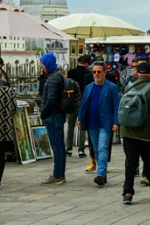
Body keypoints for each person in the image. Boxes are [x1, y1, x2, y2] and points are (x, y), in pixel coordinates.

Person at [121, 61, 150, 204]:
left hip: (127, 131)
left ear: (138, 73)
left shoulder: (128, 87)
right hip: (146, 133)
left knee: (130, 163)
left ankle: (127, 193)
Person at [77, 58, 120, 186]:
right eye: (94, 72)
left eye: (99, 72)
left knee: (102, 148)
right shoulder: (89, 87)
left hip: (105, 123)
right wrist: (80, 118)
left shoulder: (111, 88)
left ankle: (100, 173)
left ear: (105, 72)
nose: (96, 74)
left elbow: (116, 105)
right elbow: (83, 104)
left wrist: (116, 122)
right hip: (92, 123)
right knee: (96, 149)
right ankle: (103, 174)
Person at [40, 53, 67, 185]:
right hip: (57, 115)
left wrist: (43, 113)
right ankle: (60, 173)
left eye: (43, 64)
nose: (42, 67)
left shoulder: (53, 79)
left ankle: (58, 174)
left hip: (53, 116)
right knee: (59, 146)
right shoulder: (56, 76)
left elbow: (51, 100)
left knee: (57, 146)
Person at [66, 56, 89, 157]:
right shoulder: (88, 74)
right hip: (84, 101)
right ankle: (81, 149)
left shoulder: (71, 72)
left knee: (70, 126)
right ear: (86, 63)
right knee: (82, 126)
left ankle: (69, 149)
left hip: (72, 101)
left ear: (78, 62)